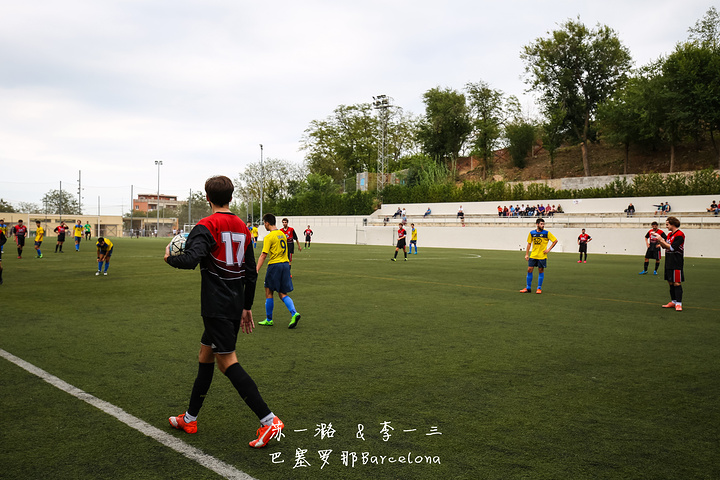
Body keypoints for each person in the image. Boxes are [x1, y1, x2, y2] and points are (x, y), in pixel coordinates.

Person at [164, 176, 284, 448]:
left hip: (216, 305)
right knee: (205, 355)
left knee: (227, 362)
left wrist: (170, 258)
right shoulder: (243, 227)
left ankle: (269, 420)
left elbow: (190, 260)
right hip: (233, 303)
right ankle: (190, 418)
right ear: (231, 197)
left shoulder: (206, 226)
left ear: (208, 198)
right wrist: (246, 306)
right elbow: (251, 272)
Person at [256, 213, 301, 329]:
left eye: (264, 223)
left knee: (269, 292)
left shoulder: (269, 237)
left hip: (275, 266)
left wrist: (256, 270)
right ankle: (294, 313)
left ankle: (269, 319)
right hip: (285, 265)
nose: (264, 225)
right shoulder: (282, 234)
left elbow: (263, 255)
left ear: (267, 223)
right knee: (282, 293)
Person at [654, 216, 685, 312]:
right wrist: (660, 240)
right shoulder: (669, 235)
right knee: (670, 282)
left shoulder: (680, 234)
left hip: (676, 261)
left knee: (676, 282)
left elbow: (672, 248)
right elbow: (665, 247)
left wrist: (661, 240)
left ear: (673, 224)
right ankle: (673, 302)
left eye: (667, 224)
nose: (666, 226)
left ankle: (679, 303)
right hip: (669, 261)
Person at [519, 218, 558, 294]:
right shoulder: (532, 233)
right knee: (529, 270)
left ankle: (539, 288)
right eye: (541, 224)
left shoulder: (546, 233)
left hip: (542, 256)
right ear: (537, 224)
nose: (543, 225)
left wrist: (548, 249)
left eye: (543, 224)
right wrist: (526, 254)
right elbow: (529, 243)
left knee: (541, 270)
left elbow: (555, 241)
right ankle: (528, 288)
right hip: (533, 255)